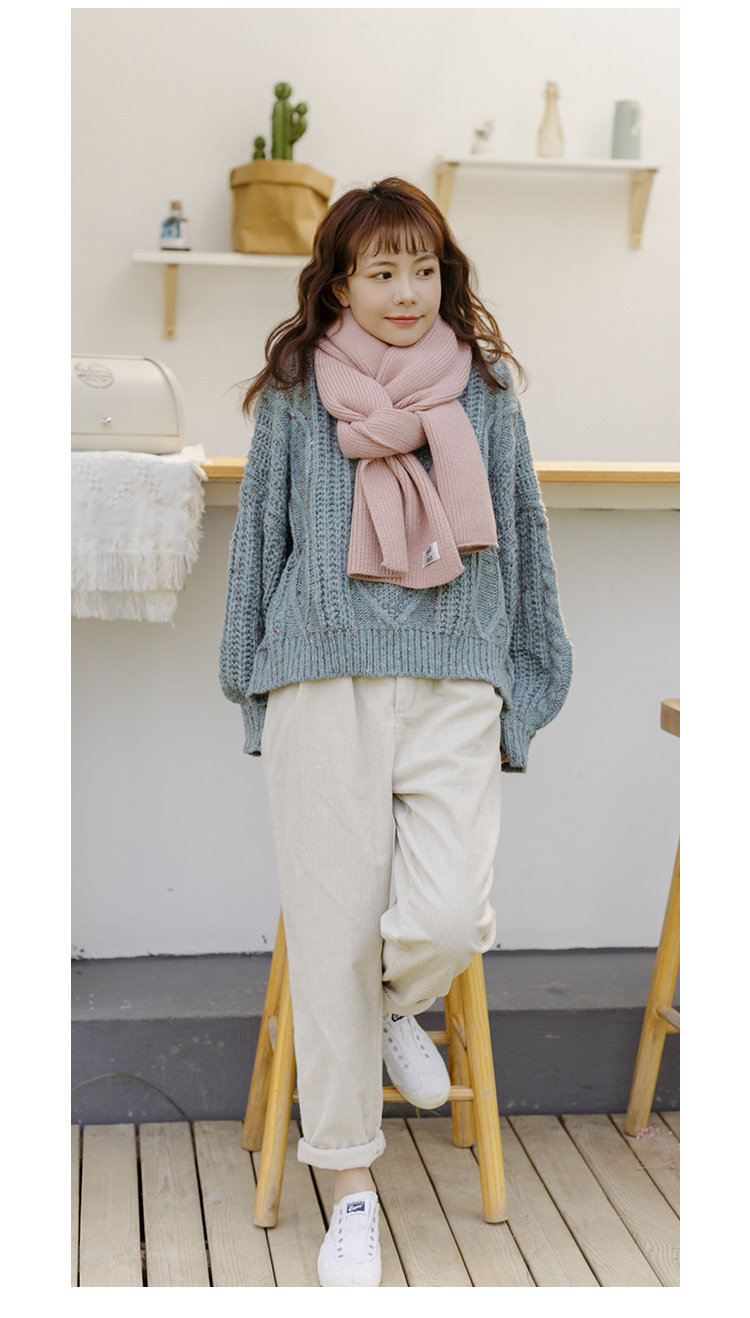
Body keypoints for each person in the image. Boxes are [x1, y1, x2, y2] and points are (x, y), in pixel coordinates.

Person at [220, 177, 573, 1286]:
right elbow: (261, 543)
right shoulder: (296, 394)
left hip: (455, 678)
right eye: (383, 270)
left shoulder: (488, 394)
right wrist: (251, 687)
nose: (408, 290)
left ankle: (384, 1006)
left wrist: (525, 682)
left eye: (424, 267)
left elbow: (523, 536)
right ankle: (350, 1192)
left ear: (444, 273)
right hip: (321, 678)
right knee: (328, 930)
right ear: (340, 283)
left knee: (446, 912)